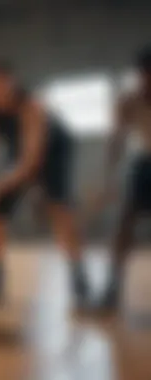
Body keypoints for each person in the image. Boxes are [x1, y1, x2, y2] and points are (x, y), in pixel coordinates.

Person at [0, 58, 88, 307]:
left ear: (10, 82)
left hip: (54, 150)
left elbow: (31, 164)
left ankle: (78, 277)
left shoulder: (32, 108)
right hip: (20, 150)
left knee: (59, 211)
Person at [96, 46, 151, 312]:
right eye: (144, 75)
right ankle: (112, 289)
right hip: (145, 163)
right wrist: (108, 178)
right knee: (124, 224)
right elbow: (116, 139)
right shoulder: (129, 100)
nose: (147, 81)